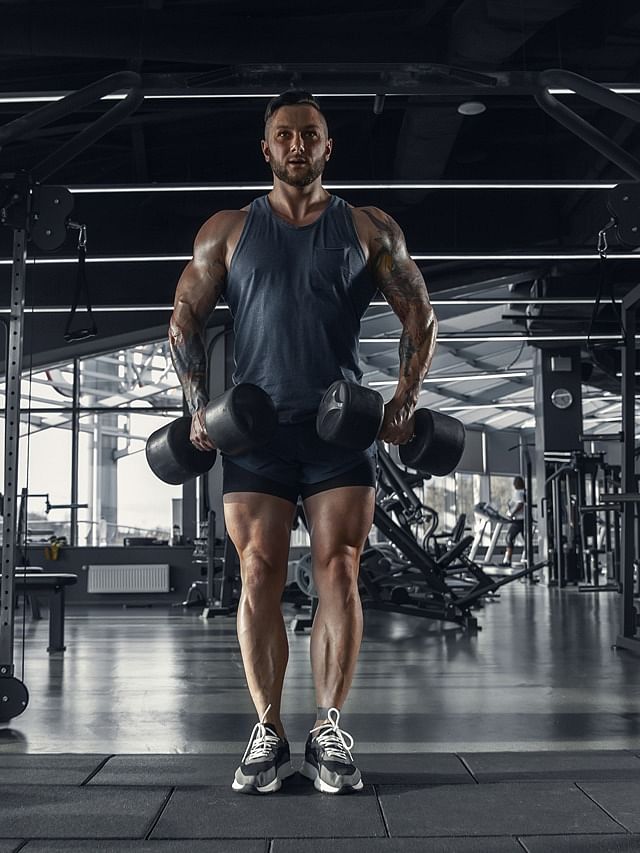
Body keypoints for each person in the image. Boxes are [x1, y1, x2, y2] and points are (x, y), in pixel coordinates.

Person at [168, 90, 437, 795]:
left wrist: (404, 401)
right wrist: (197, 404)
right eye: (283, 135)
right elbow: (182, 320)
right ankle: (267, 729)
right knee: (257, 569)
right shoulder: (227, 230)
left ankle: (327, 728)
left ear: (327, 147)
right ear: (266, 149)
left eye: (309, 135)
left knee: (340, 570)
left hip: (337, 426)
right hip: (254, 430)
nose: (296, 145)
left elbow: (421, 315)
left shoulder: (366, 226)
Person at [503, 475, 526, 567]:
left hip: (518, 520)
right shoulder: (524, 492)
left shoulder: (518, 493)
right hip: (524, 520)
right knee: (527, 541)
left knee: (509, 538)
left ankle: (507, 560)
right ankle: (526, 559)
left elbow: (520, 504)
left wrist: (512, 513)